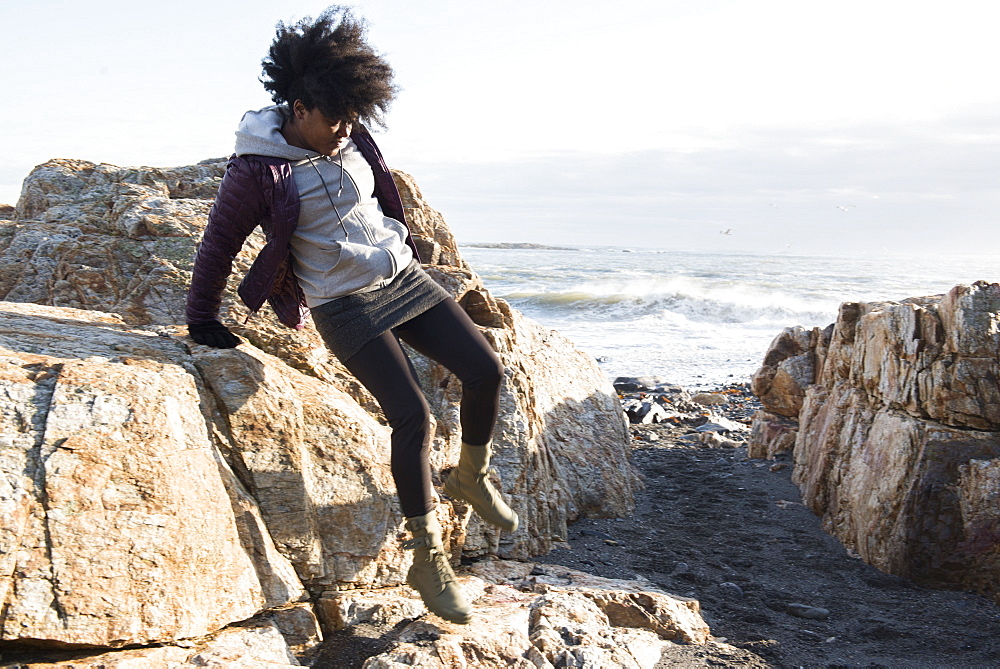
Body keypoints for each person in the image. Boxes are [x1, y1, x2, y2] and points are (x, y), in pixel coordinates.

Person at [185, 6, 517, 625]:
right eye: (333, 119)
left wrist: (405, 238)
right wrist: (201, 317)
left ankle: (471, 475)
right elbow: (217, 244)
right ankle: (427, 560)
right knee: (412, 415)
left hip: (400, 277)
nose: (345, 131)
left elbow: (378, 187)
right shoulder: (257, 169)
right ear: (299, 109)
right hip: (344, 305)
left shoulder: (350, 130)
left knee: (486, 370)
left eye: (354, 116)